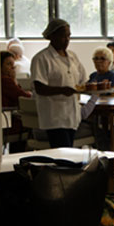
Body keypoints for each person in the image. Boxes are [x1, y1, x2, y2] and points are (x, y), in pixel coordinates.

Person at [30, 18, 88, 148]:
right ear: (51, 36)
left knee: (70, 152)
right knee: (62, 153)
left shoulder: (72, 57)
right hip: (55, 117)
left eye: (68, 36)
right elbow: (39, 88)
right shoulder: (42, 58)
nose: (66, 39)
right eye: (63, 36)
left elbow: (82, 80)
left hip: (72, 115)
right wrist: (62, 90)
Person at [0, 51, 31, 152]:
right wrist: (14, 79)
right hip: (10, 122)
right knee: (32, 124)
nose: (12, 68)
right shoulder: (5, 80)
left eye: (13, 65)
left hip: (7, 120)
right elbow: (24, 97)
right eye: (8, 64)